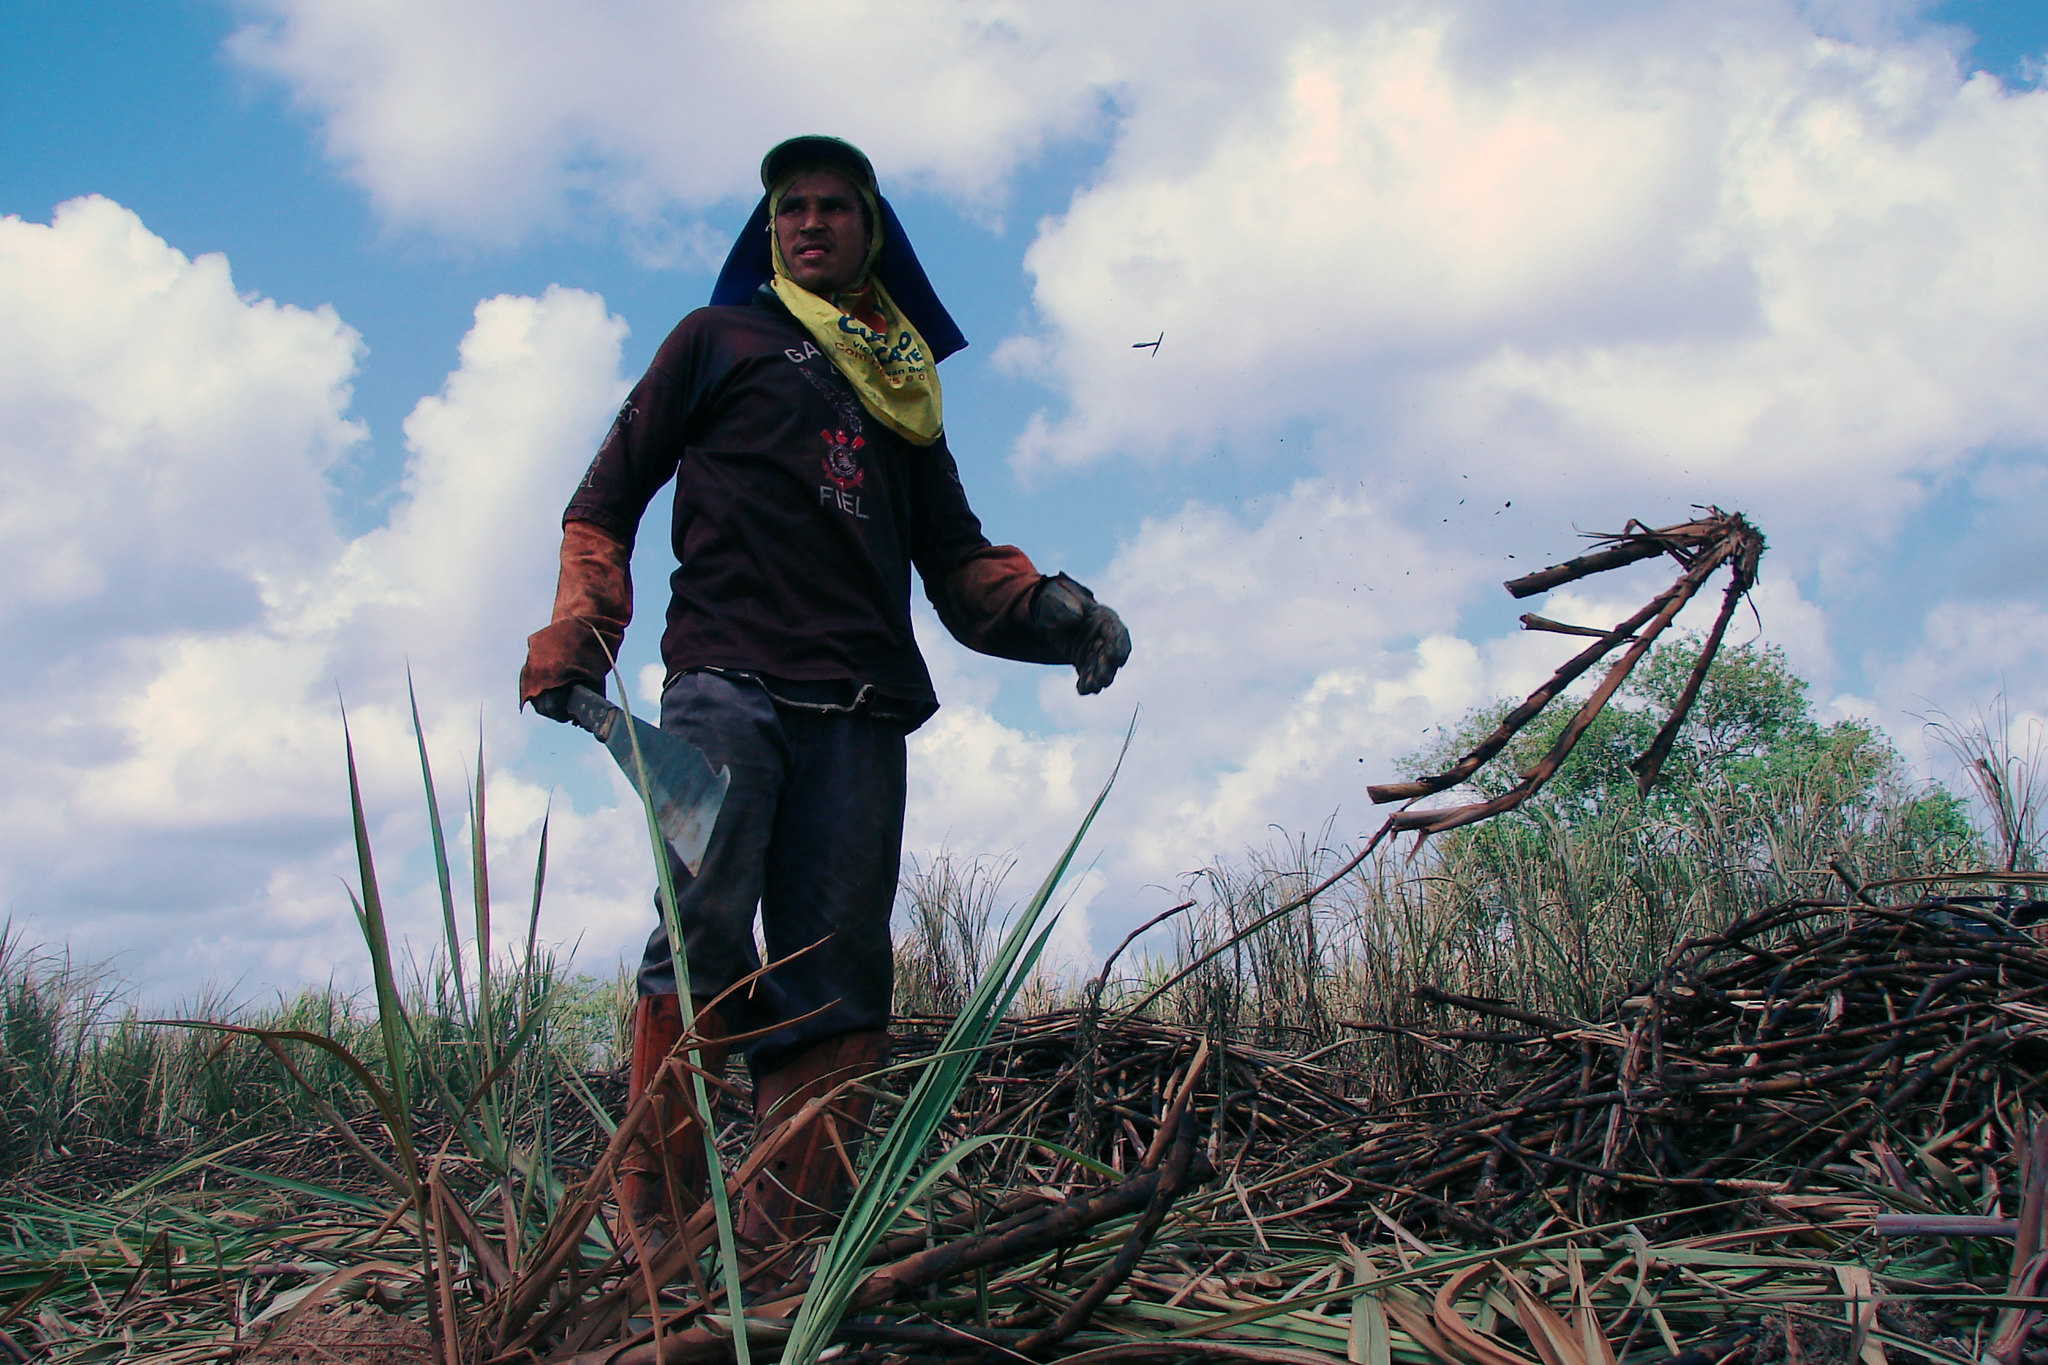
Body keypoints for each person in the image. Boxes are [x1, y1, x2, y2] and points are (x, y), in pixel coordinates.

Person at [518, 135, 1130, 1276]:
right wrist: (582, 627)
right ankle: (657, 1232)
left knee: (839, 970)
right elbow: (603, 502)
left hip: (858, 710)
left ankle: (782, 1245)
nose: (808, 223)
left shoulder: (903, 394)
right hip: (723, 690)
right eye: (789, 209)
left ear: (870, 233)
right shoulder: (716, 341)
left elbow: (955, 565)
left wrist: (1052, 608)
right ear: (769, 234)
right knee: (702, 936)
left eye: (832, 208)